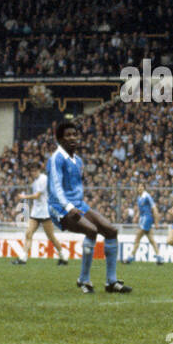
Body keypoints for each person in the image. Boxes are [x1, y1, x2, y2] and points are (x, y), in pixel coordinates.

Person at [47, 119, 131, 294]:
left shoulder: (77, 160)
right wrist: (69, 207)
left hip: (78, 205)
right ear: (60, 139)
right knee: (91, 230)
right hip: (59, 207)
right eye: (68, 135)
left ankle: (111, 281)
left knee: (111, 231)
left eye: (74, 134)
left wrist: (78, 206)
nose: (72, 138)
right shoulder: (56, 158)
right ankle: (84, 279)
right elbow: (55, 188)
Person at [15, 163, 69, 265]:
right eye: (32, 171)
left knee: (51, 237)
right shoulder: (35, 181)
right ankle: (23, 258)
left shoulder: (44, 179)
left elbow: (37, 196)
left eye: (35, 171)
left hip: (45, 212)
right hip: (36, 212)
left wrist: (23, 197)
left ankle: (63, 256)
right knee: (28, 233)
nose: (33, 173)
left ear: (39, 170)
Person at [127, 186, 161, 264]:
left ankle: (131, 256)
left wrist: (156, 222)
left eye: (141, 186)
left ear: (144, 188)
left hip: (147, 219)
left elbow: (154, 208)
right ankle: (159, 256)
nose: (140, 188)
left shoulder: (147, 196)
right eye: (139, 187)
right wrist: (136, 216)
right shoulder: (139, 198)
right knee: (151, 239)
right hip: (142, 219)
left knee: (137, 237)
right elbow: (140, 209)